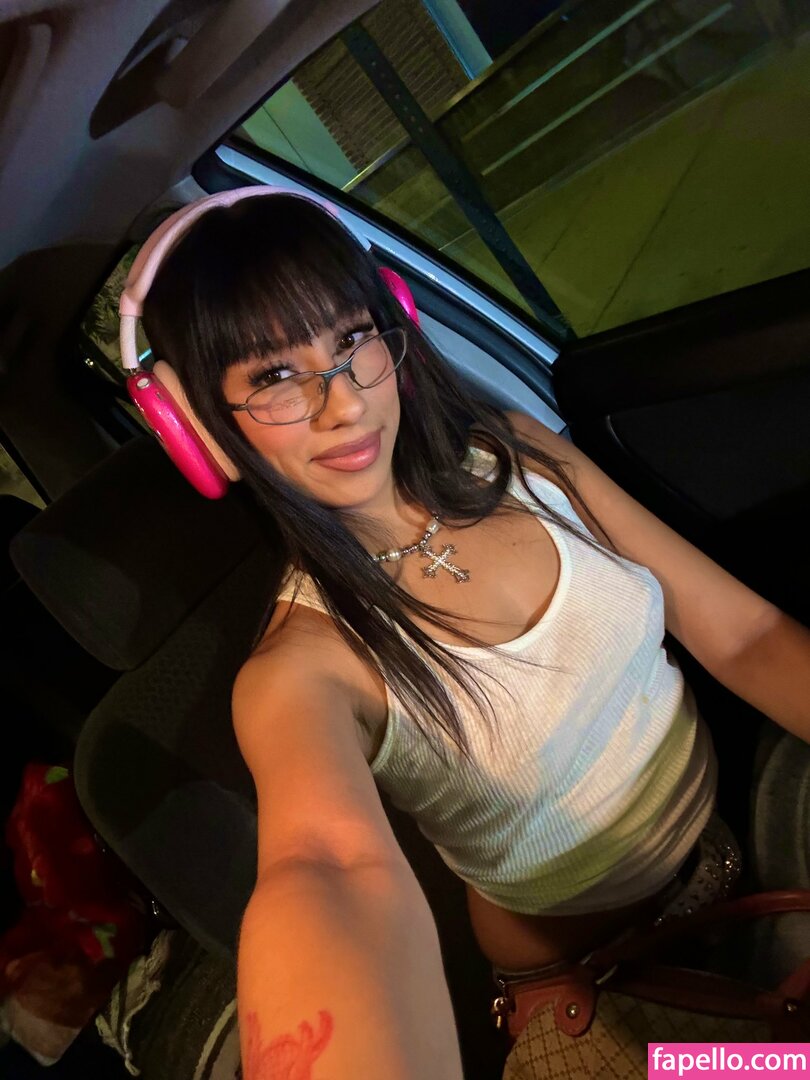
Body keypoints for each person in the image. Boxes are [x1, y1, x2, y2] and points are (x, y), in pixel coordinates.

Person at [130, 190, 810, 1079]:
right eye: (273, 377)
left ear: (395, 327)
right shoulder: (300, 672)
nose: (343, 404)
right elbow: (325, 873)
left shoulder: (519, 457)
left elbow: (745, 635)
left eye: (351, 339)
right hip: (609, 988)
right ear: (198, 429)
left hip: (742, 844)